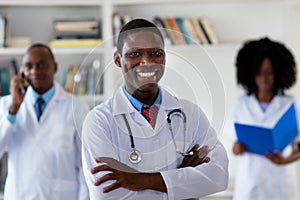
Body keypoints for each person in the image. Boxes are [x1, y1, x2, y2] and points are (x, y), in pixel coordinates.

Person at [81, 18, 229, 200]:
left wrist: (145, 180)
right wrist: (181, 185)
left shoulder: (190, 114)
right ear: (118, 60)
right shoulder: (99, 121)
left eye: (156, 53)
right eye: (135, 54)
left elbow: (219, 175)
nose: (147, 62)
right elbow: (108, 194)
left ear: (165, 58)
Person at [0, 43, 89, 199]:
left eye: (42, 65)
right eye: (29, 66)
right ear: (21, 72)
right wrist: (14, 109)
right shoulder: (7, 105)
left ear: (54, 67)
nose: (35, 71)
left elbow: (86, 163)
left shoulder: (76, 107)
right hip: (19, 194)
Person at [224, 37, 300, 200]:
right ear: (251, 74)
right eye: (258, 73)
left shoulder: (291, 104)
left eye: (269, 73)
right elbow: (234, 144)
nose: (264, 78)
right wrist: (236, 149)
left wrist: (285, 161)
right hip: (250, 184)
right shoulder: (241, 103)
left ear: (278, 73)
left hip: (280, 185)